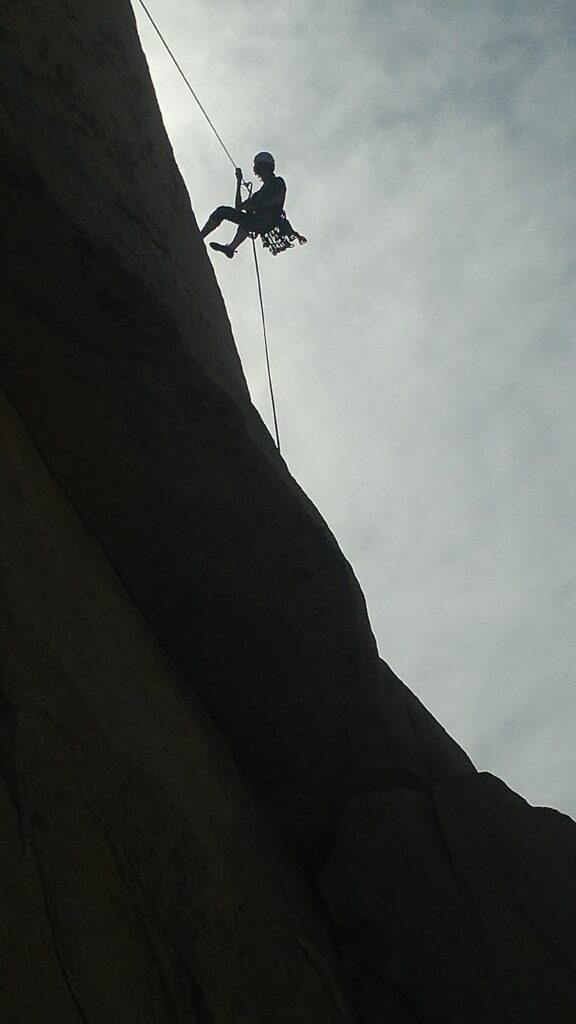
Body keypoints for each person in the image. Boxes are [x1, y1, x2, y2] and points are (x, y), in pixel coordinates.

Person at [200, 151, 307, 257]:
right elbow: (238, 207)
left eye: (260, 168)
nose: (259, 173)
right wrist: (238, 181)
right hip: (258, 218)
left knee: (248, 222)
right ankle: (201, 235)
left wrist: (256, 206)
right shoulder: (258, 194)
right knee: (222, 211)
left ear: (266, 167)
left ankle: (230, 248)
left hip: (268, 220)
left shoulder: (277, 182)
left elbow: (277, 199)